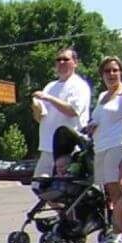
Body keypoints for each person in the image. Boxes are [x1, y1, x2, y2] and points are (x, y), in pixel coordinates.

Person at [87, 56, 122, 243]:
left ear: (121, 72)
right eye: (107, 71)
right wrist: (91, 127)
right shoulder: (102, 96)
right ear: (102, 75)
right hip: (101, 147)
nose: (111, 74)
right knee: (110, 194)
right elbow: (97, 119)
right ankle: (119, 230)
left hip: (119, 145)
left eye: (115, 70)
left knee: (119, 192)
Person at [31, 47, 91, 178]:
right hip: (47, 147)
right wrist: (35, 106)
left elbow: (73, 111)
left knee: (64, 189)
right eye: (59, 59)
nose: (61, 62)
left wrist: (48, 98)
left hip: (68, 148)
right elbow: (40, 118)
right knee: (39, 184)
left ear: (75, 63)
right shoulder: (50, 86)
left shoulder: (79, 85)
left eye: (66, 59)